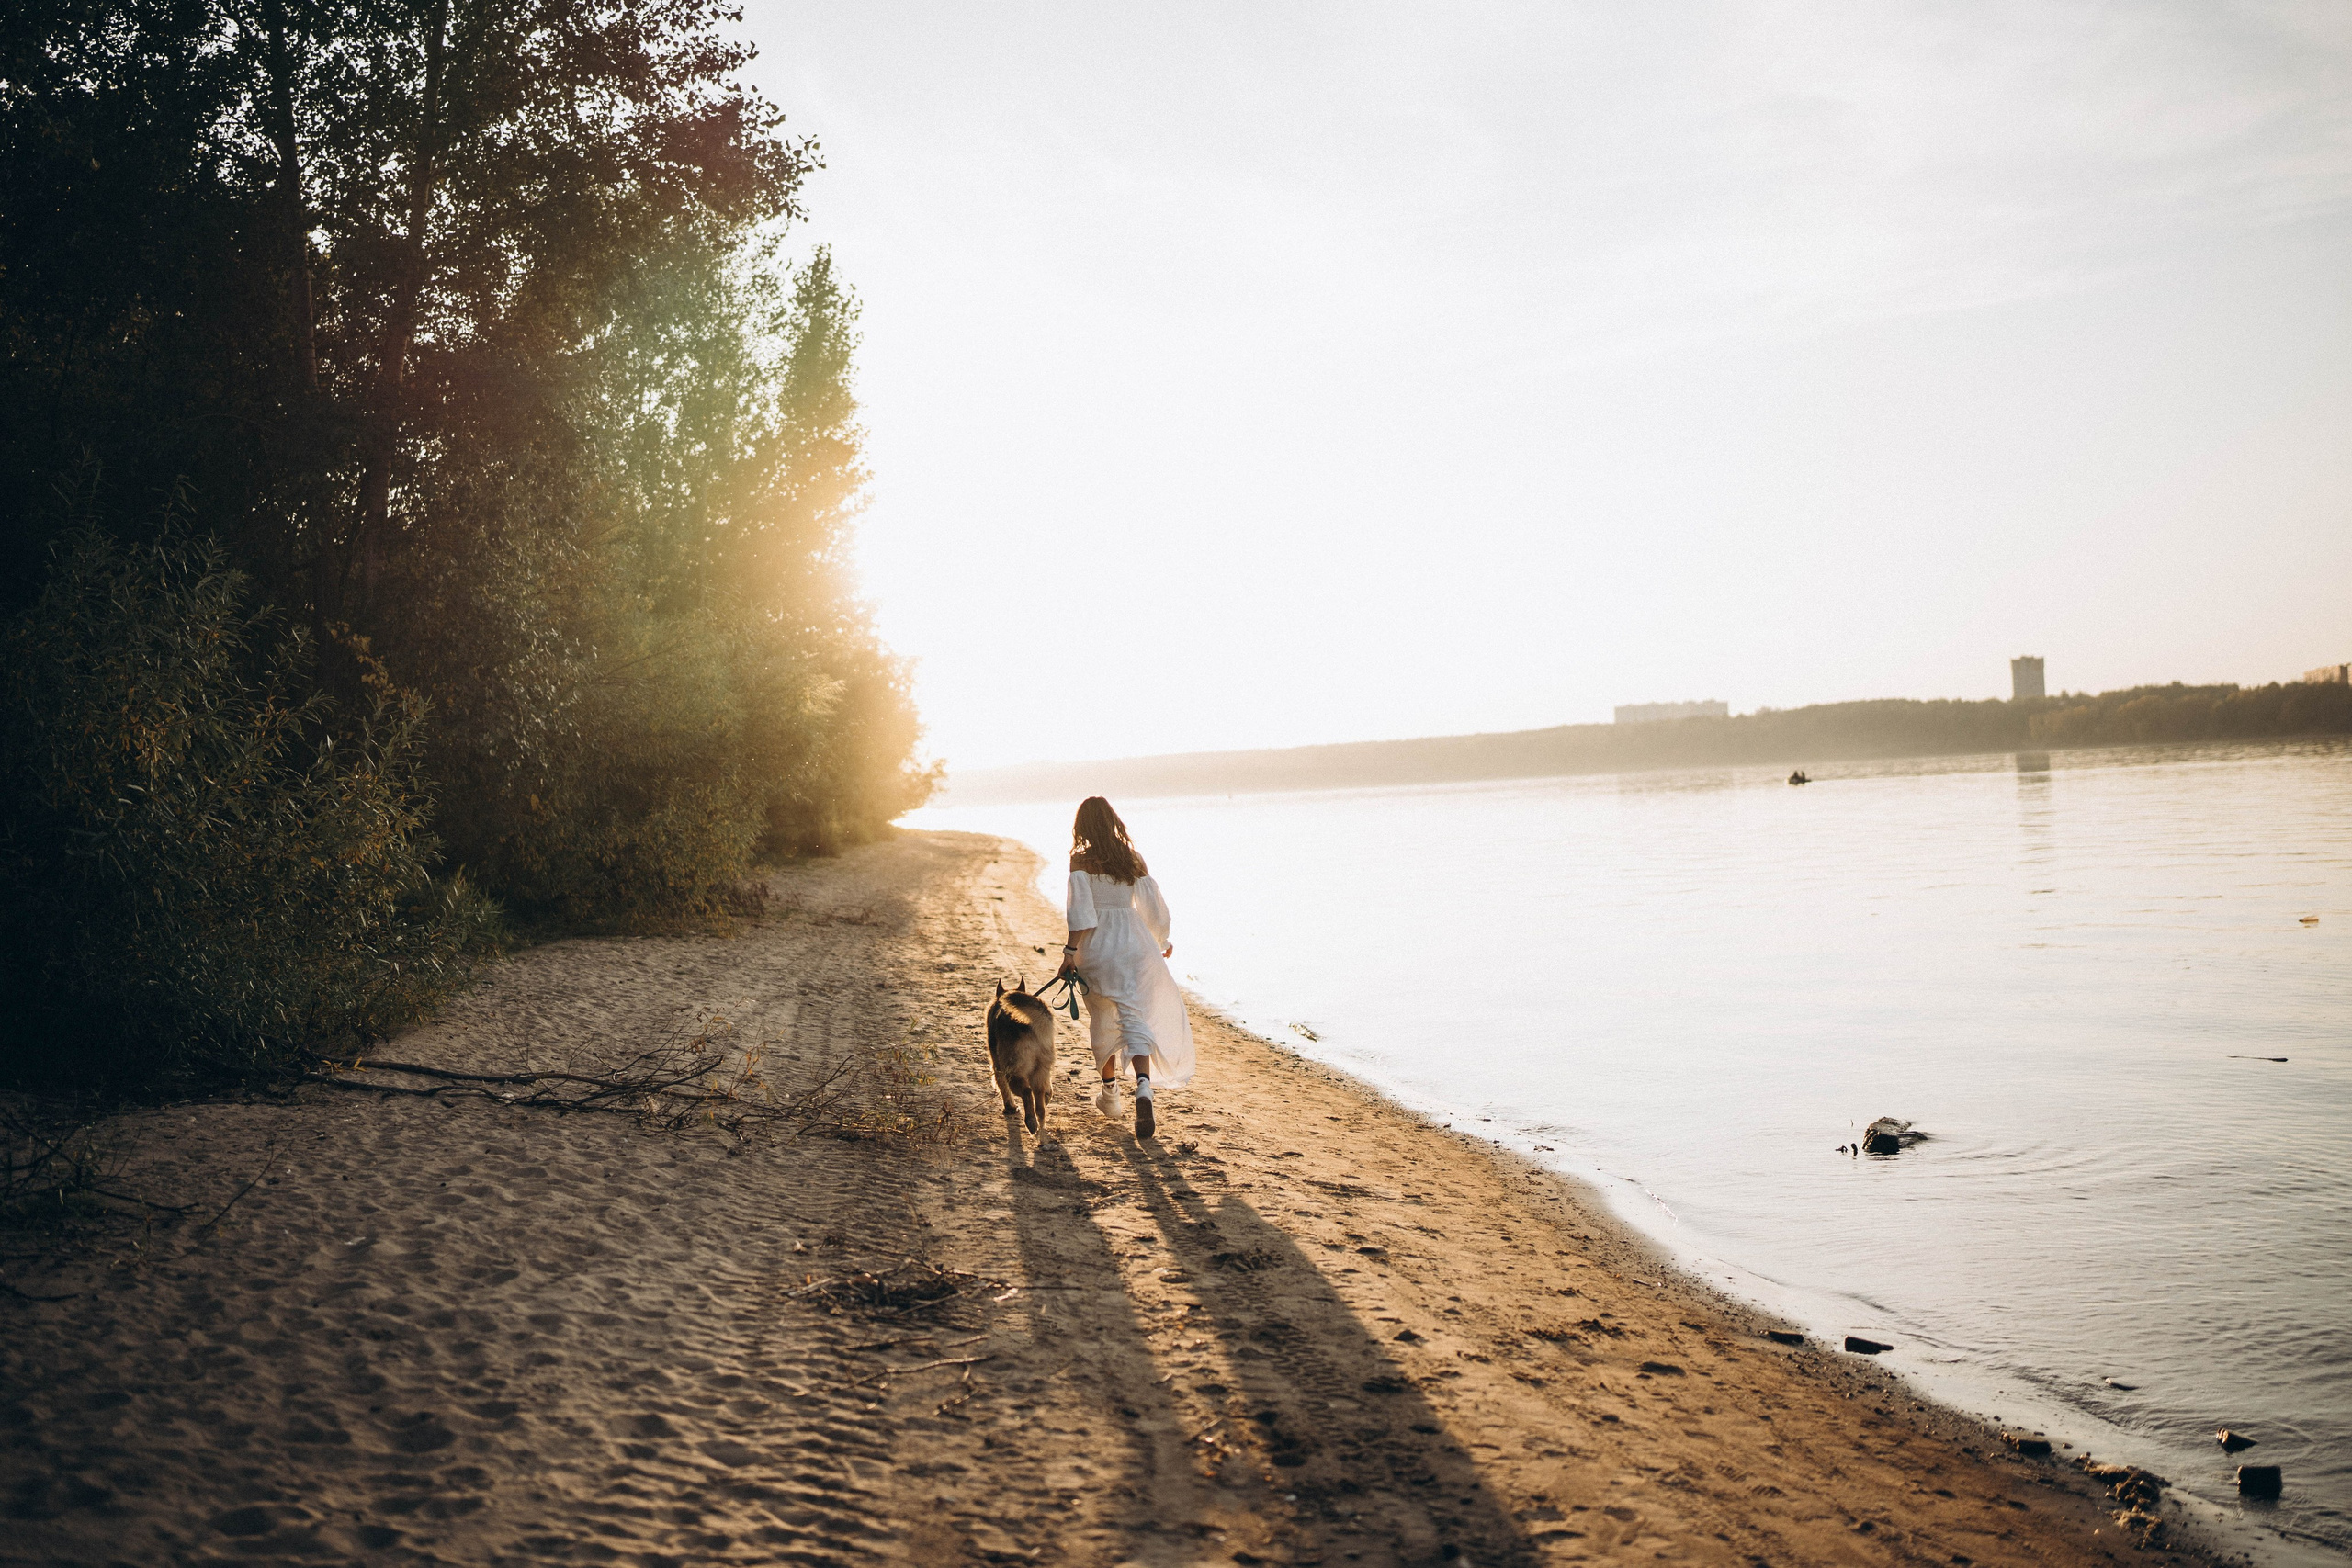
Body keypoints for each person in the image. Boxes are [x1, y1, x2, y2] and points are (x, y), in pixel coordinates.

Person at [1057, 796, 1195, 1139]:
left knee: (1102, 1018)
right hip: (1134, 944)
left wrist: (1069, 953)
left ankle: (1110, 1094)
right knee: (1134, 1017)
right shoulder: (1132, 858)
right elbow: (1153, 907)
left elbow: (1081, 913)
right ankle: (1144, 1087)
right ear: (1113, 822)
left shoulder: (1080, 860)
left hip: (1096, 947)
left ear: (1082, 826)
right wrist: (1161, 940)